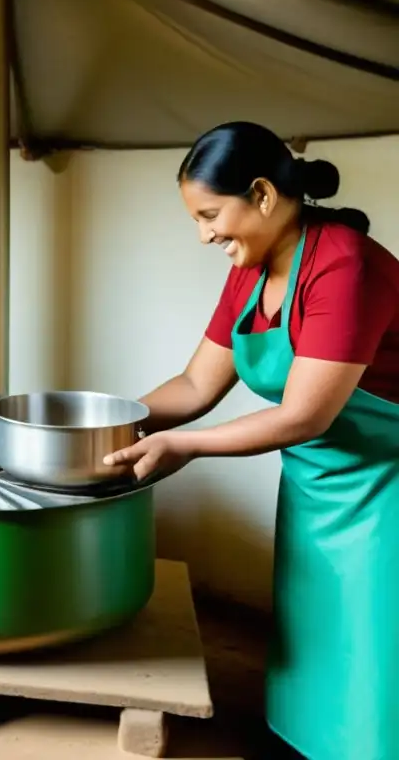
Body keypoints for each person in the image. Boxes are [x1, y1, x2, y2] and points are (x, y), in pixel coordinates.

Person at [103, 121, 399, 759]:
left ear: (262, 195)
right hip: (318, 482)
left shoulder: (343, 264)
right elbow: (193, 385)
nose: (205, 234)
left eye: (211, 214)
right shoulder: (252, 267)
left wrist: (184, 448)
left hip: (388, 488)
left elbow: (304, 417)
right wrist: (103, 422)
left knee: (375, 652)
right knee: (315, 642)